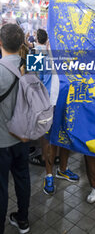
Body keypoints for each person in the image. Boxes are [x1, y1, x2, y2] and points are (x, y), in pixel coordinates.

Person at [28, 29, 79, 195]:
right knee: (47, 140)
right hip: (47, 105)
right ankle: (49, 175)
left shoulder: (70, 56)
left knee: (65, 137)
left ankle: (62, 169)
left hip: (67, 104)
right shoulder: (37, 53)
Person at [0, 24, 30, 234]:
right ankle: (23, 220)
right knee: (22, 178)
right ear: (21, 43)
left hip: (1, 141)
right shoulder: (31, 63)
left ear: (0, 43)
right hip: (23, 137)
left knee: (1, 188)